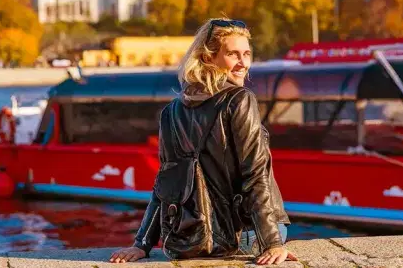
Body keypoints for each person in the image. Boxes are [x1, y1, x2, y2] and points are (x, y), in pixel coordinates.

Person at [110, 18, 296, 265]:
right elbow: (255, 174)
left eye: (247, 54)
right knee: (278, 229)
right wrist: (271, 243)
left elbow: (165, 184)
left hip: (188, 239)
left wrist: (142, 243)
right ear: (209, 58)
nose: (243, 64)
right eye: (233, 54)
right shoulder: (240, 100)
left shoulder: (172, 111)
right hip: (241, 235)